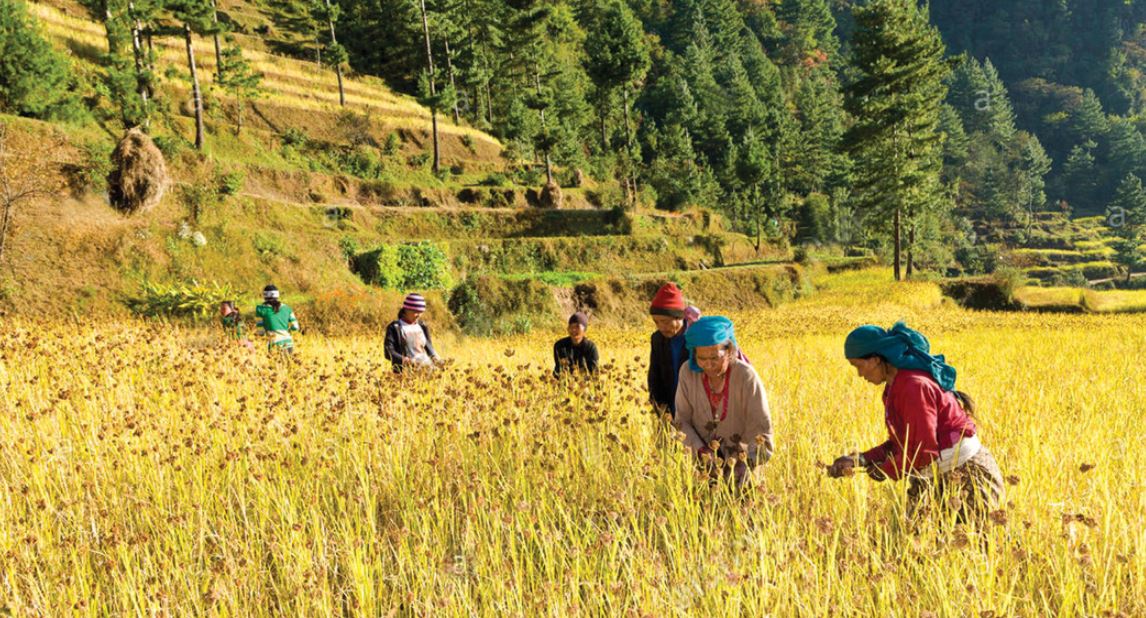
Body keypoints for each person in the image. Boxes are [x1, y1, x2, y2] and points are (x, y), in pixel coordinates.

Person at [827, 322, 1005, 523]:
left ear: (876, 359)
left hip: (966, 476)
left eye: (858, 366)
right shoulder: (894, 388)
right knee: (917, 544)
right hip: (932, 474)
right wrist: (859, 460)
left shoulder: (913, 386)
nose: (860, 374)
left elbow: (923, 450)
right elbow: (902, 444)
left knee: (976, 544)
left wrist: (885, 470)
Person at [674, 316, 773, 487]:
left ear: (729, 351)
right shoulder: (687, 373)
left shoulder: (746, 376)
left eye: (715, 358)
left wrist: (745, 462)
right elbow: (682, 420)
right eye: (702, 358)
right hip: (704, 465)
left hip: (743, 466)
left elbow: (761, 427)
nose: (708, 365)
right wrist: (701, 452)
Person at [647, 283, 702, 415]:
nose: (661, 327)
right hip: (670, 406)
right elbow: (655, 376)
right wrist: (659, 407)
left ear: (680, 318)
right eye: (656, 322)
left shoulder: (696, 337)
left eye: (665, 321)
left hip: (697, 407)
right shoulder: (657, 339)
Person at [384, 293, 442, 373]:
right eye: (416, 311)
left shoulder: (422, 326)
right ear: (406, 310)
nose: (419, 315)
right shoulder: (395, 327)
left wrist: (438, 360)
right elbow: (388, 352)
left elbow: (429, 347)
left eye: (421, 312)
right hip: (404, 374)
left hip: (426, 371)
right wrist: (408, 361)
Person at [254, 285, 300, 353]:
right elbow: (295, 327)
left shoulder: (261, 309)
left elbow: (261, 332)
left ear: (264, 296)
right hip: (288, 343)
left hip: (274, 344)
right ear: (277, 295)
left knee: (276, 363)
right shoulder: (287, 308)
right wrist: (287, 331)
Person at [553, 312, 599, 377]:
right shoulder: (560, 345)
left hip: (585, 382)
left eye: (577, 327)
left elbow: (594, 372)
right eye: (571, 327)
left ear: (584, 330)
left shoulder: (590, 347)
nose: (574, 330)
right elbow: (560, 369)